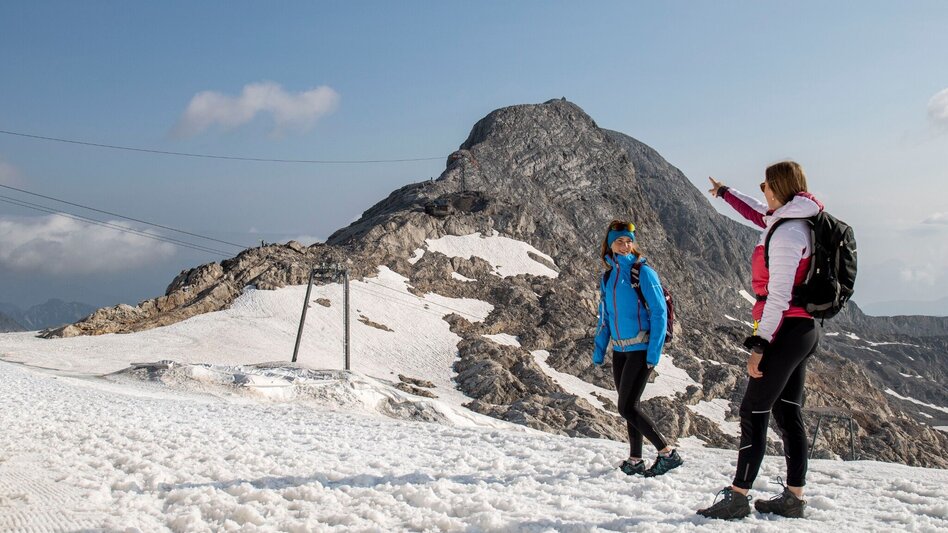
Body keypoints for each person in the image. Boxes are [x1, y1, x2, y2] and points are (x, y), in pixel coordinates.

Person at [698, 161, 822, 520]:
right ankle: (794, 497)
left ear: (779, 188)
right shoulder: (794, 219)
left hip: (785, 329)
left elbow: (778, 297)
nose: (762, 188)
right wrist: (725, 193)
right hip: (803, 329)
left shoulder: (787, 234)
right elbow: (756, 210)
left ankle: (738, 496)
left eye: (766, 184)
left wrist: (760, 345)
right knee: (787, 412)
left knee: (753, 410)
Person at [593, 220, 682, 477]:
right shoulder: (608, 277)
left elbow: (659, 313)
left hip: (641, 348)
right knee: (631, 406)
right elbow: (605, 317)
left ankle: (667, 453)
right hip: (620, 351)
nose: (625, 246)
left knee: (626, 407)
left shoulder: (643, 272)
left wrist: (654, 352)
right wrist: (600, 349)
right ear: (610, 244)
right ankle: (635, 460)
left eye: (629, 241)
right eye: (620, 241)